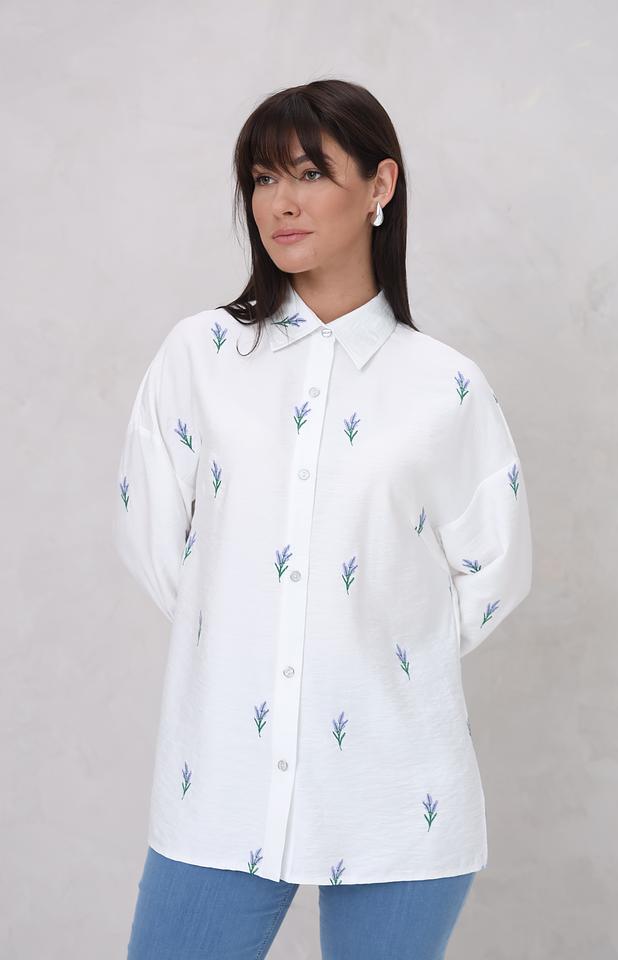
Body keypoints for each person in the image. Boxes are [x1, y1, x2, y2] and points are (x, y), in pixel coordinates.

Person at [115, 78, 533, 960]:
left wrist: (371, 647)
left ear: (381, 185)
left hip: (399, 793)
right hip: (221, 784)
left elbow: (496, 570)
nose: (281, 202)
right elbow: (154, 539)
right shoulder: (202, 356)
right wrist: (252, 633)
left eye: (309, 173)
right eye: (263, 179)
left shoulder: (445, 387)